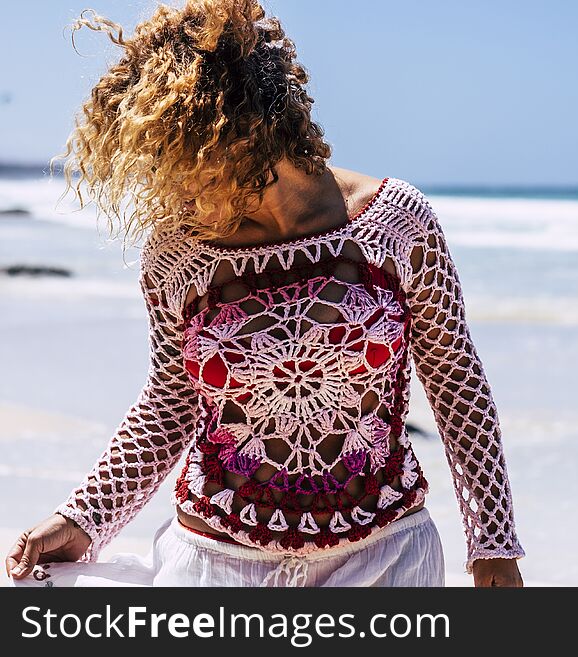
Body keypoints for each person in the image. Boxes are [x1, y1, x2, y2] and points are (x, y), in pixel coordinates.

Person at [5, 0, 525, 588]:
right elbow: (172, 400)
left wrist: (493, 543)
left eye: (185, 161)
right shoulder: (179, 251)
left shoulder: (393, 222)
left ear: (247, 131)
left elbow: (455, 377)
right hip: (214, 565)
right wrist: (86, 517)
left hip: (385, 560)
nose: (172, 186)